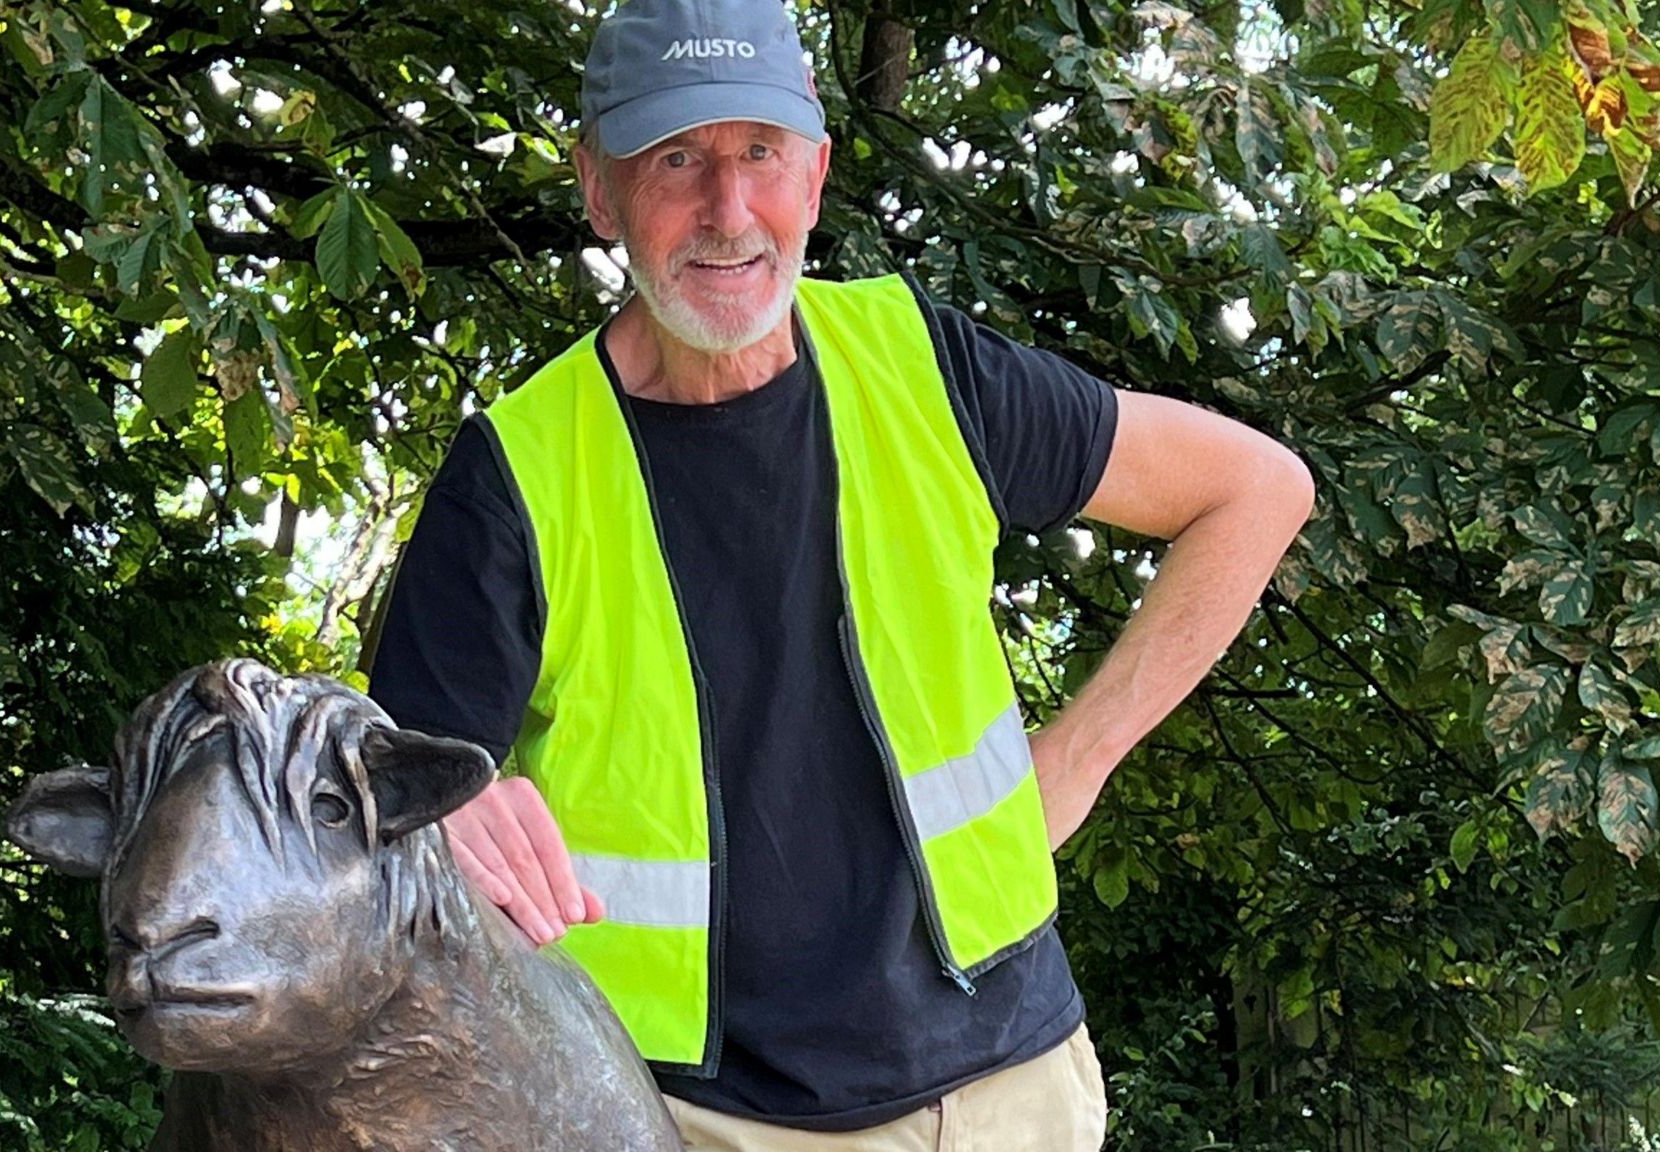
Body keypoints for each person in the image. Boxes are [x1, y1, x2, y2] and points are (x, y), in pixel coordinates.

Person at [366, 0, 1315, 1146]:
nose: (729, 211)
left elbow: (1253, 491)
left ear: (813, 173)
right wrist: (448, 820)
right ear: (598, 186)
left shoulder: (920, 366)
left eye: (758, 153)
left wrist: (1076, 760)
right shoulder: (516, 474)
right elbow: (387, 811)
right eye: (675, 158)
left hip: (1009, 1089)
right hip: (700, 1119)